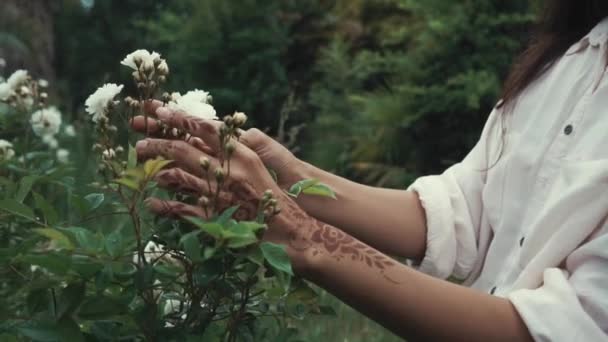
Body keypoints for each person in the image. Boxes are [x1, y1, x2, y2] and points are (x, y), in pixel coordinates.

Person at [131, 3, 608, 341]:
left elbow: (562, 331)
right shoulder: (569, 58)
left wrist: (303, 237)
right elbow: (466, 208)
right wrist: (291, 180)